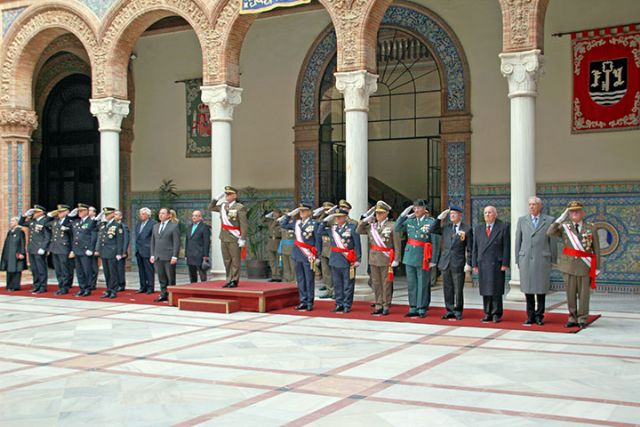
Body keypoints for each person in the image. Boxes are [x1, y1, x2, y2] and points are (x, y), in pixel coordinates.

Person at [547, 201, 601, 329]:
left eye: (577, 211)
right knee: (570, 294)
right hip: (569, 266)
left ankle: (582, 318)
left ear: (583, 212)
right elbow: (550, 232)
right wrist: (561, 218)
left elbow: (597, 249)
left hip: (584, 266)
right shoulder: (565, 226)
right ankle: (572, 317)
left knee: (584, 294)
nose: (574, 213)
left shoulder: (591, 227)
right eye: (572, 211)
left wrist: (597, 267)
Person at [515, 196, 557, 326]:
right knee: (528, 289)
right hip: (526, 258)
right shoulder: (522, 221)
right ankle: (530, 315)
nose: (532, 206)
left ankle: (540, 315)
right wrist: (518, 258)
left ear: (540, 206)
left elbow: (553, 241)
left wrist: (553, 259)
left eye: (534, 204)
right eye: (530, 204)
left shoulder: (549, 220)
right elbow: (518, 240)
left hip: (542, 259)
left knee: (541, 289)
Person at [357, 201, 401, 315]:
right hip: (374, 258)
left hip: (386, 258)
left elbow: (397, 244)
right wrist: (365, 220)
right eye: (376, 213)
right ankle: (378, 304)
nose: (378, 215)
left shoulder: (392, 225)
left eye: (381, 213)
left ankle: (386, 304)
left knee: (386, 283)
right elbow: (358, 230)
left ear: (386, 213)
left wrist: (397, 258)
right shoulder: (372, 226)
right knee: (376, 282)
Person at [395, 199, 437, 318]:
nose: (417, 210)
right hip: (409, 255)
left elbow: (435, 241)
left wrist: (433, 259)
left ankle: (421, 307)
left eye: (419, 208)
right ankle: (412, 306)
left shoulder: (431, 221)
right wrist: (404, 215)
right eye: (415, 208)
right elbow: (397, 228)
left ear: (424, 209)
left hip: (423, 255)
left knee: (423, 282)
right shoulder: (410, 220)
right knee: (411, 283)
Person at [433, 205, 473, 320]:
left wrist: (468, 263)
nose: (452, 216)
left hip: (458, 262)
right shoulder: (446, 227)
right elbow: (432, 230)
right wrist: (439, 219)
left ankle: (458, 310)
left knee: (458, 288)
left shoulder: (467, 229)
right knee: (448, 288)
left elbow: (470, 248)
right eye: (450, 214)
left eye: (454, 214)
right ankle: (449, 310)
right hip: (446, 262)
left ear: (460, 215)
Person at [472, 205, 510, 323]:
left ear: (495, 214)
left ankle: (496, 313)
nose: (487, 215)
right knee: (485, 290)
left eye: (490, 212)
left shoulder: (503, 227)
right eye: (485, 213)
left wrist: (505, 263)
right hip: (483, 263)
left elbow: (506, 247)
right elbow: (475, 248)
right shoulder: (478, 228)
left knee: (496, 290)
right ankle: (487, 312)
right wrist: (474, 264)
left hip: (496, 263)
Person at [281, 204, 322, 311]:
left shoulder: (314, 224)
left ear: (309, 212)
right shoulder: (296, 223)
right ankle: (303, 301)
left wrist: (317, 255)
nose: (301, 213)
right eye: (300, 211)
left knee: (309, 279)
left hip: (308, 255)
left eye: (304, 211)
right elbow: (283, 224)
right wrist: (289, 215)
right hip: (297, 254)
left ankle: (309, 302)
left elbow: (318, 241)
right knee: (300, 279)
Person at [322, 208, 362, 313]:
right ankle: (339, 303)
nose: (337, 219)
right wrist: (326, 219)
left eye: (339, 217)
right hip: (335, 259)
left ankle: (347, 304)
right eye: (336, 217)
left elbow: (357, 244)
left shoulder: (352, 228)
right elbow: (319, 231)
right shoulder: (332, 229)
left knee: (348, 284)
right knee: (337, 284)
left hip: (347, 259)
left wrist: (358, 258)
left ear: (345, 217)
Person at [208, 186, 248, 288]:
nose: (227, 196)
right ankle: (228, 278)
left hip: (234, 237)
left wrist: (243, 238)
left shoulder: (240, 207)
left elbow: (243, 224)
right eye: (226, 194)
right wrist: (216, 199)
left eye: (229, 194)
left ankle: (234, 280)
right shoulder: (222, 206)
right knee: (227, 260)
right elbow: (211, 208)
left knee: (235, 260)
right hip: (224, 237)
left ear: (235, 195)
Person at [19, 205, 52, 293]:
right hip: (32, 248)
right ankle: (36, 285)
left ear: (41, 212)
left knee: (41, 268)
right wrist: (24, 215)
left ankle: (42, 286)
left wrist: (43, 248)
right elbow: (21, 223)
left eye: (36, 212)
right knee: (34, 269)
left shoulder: (45, 221)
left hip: (39, 248)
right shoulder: (33, 221)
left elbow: (47, 237)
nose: (34, 213)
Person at [150, 207, 180, 302]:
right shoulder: (156, 226)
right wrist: (152, 254)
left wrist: (175, 256)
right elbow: (153, 241)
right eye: (160, 213)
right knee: (161, 277)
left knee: (170, 278)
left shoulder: (174, 226)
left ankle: (172, 296)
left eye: (163, 213)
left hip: (169, 256)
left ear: (168, 215)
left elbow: (176, 242)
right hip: (158, 256)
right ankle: (163, 294)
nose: (161, 215)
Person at [68, 203, 98, 297]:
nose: (79, 213)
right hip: (77, 250)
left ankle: (87, 289)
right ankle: (82, 288)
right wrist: (70, 215)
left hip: (85, 250)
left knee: (87, 271)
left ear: (87, 211)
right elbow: (67, 225)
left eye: (81, 211)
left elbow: (93, 236)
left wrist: (90, 248)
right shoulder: (77, 222)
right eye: (78, 211)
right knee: (79, 271)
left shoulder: (91, 222)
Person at [94, 207, 124, 299]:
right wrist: (98, 249)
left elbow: (120, 240)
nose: (106, 216)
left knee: (112, 273)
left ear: (113, 214)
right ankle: (108, 289)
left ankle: (113, 291)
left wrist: (119, 253)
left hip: (112, 252)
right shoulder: (103, 225)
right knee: (107, 273)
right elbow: (95, 227)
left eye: (108, 214)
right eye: (105, 214)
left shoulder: (117, 225)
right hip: (104, 251)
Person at [47, 204, 74, 295]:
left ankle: (65, 287)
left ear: (66, 212)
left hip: (64, 248)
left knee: (64, 269)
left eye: (61, 212)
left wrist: (72, 250)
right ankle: (60, 285)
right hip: (55, 248)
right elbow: (45, 224)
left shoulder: (69, 222)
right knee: (58, 269)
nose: (59, 213)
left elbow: (72, 237)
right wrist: (50, 215)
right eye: (58, 212)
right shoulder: (55, 221)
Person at [314, 202, 336, 297]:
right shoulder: (322, 219)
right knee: (326, 271)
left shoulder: (334, 219)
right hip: (324, 248)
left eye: (328, 209)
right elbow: (317, 231)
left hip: (332, 248)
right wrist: (323, 215)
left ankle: (335, 291)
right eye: (325, 209)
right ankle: (329, 290)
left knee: (334, 271)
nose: (326, 211)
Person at [1, 217, 27, 291]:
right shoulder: (10, 231)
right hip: (9, 253)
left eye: (12, 221)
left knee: (16, 270)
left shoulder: (20, 231)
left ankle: (15, 286)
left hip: (16, 253)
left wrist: (22, 253)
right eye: (11, 221)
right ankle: (9, 285)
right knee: (9, 269)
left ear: (17, 222)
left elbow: (22, 242)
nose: (11, 222)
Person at [185, 210, 211, 283]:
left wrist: (206, 255)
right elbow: (187, 241)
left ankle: (203, 290)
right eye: (193, 215)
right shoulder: (189, 227)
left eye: (196, 216)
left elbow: (207, 242)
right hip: (190, 254)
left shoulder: (204, 227)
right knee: (192, 275)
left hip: (200, 254)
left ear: (200, 217)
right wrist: (186, 254)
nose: (194, 217)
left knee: (202, 275)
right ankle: (193, 289)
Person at [134, 207, 156, 294]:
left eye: (143, 214)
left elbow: (154, 238)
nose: (141, 216)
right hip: (139, 250)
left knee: (149, 270)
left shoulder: (153, 224)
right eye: (140, 214)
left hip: (147, 250)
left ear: (148, 215)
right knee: (141, 270)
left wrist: (152, 252)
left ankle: (150, 287)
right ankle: (143, 286)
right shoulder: (138, 224)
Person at [264, 208, 282, 282]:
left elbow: (272, 228)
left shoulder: (281, 221)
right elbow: (262, 220)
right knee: (272, 260)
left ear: (280, 214)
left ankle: (279, 276)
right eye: (274, 213)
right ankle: (274, 275)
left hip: (278, 242)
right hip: (271, 242)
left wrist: (277, 220)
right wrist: (270, 215)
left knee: (278, 260)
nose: (275, 214)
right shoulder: (270, 221)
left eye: (276, 213)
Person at [114, 210, 130, 291]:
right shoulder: (111, 226)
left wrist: (123, 251)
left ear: (120, 217)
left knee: (120, 269)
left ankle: (121, 284)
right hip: (113, 251)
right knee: (113, 269)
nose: (114, 216)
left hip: (120, 252)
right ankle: (115, 284)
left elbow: (126, 239)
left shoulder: (123, 226)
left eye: (116, 214)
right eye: (114, 214)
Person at [279, 208, 295, 283]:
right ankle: (286, 279)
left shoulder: (294, 223)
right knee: (286, 265)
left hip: (292, 247)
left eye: (288, 213)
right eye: (285, 213)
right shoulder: (282, 223)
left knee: (293, 265)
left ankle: (293, 279)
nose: (286, 215)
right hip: (284, 247)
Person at [88, 206, 99, 290]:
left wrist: (96, 249)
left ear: (94, 213)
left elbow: (98, 237)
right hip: (86, 247)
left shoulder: (98, 222)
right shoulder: (86, 221)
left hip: (94, 247)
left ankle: (93, 284)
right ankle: (88, 283)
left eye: (90, 211)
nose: (88, 212)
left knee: (94, 267)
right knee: (87, 267)